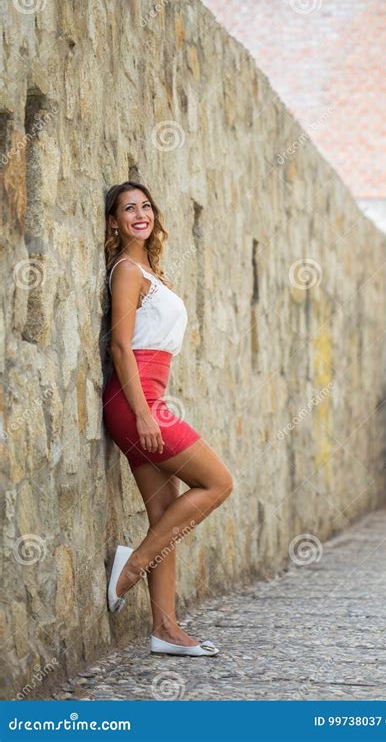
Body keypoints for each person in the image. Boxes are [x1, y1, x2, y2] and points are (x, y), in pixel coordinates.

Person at [102, 181, 233, 657]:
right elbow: (121, 345)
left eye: (145, 206)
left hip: (150, 396)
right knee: (218, 483)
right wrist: (143, 414)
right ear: (113, 222)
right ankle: (131, 566)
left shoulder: (151, 270)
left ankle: (165, 630)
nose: (140, 214)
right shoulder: (127, 271)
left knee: (165, 515)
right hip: (134, 401)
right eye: (127, 209)